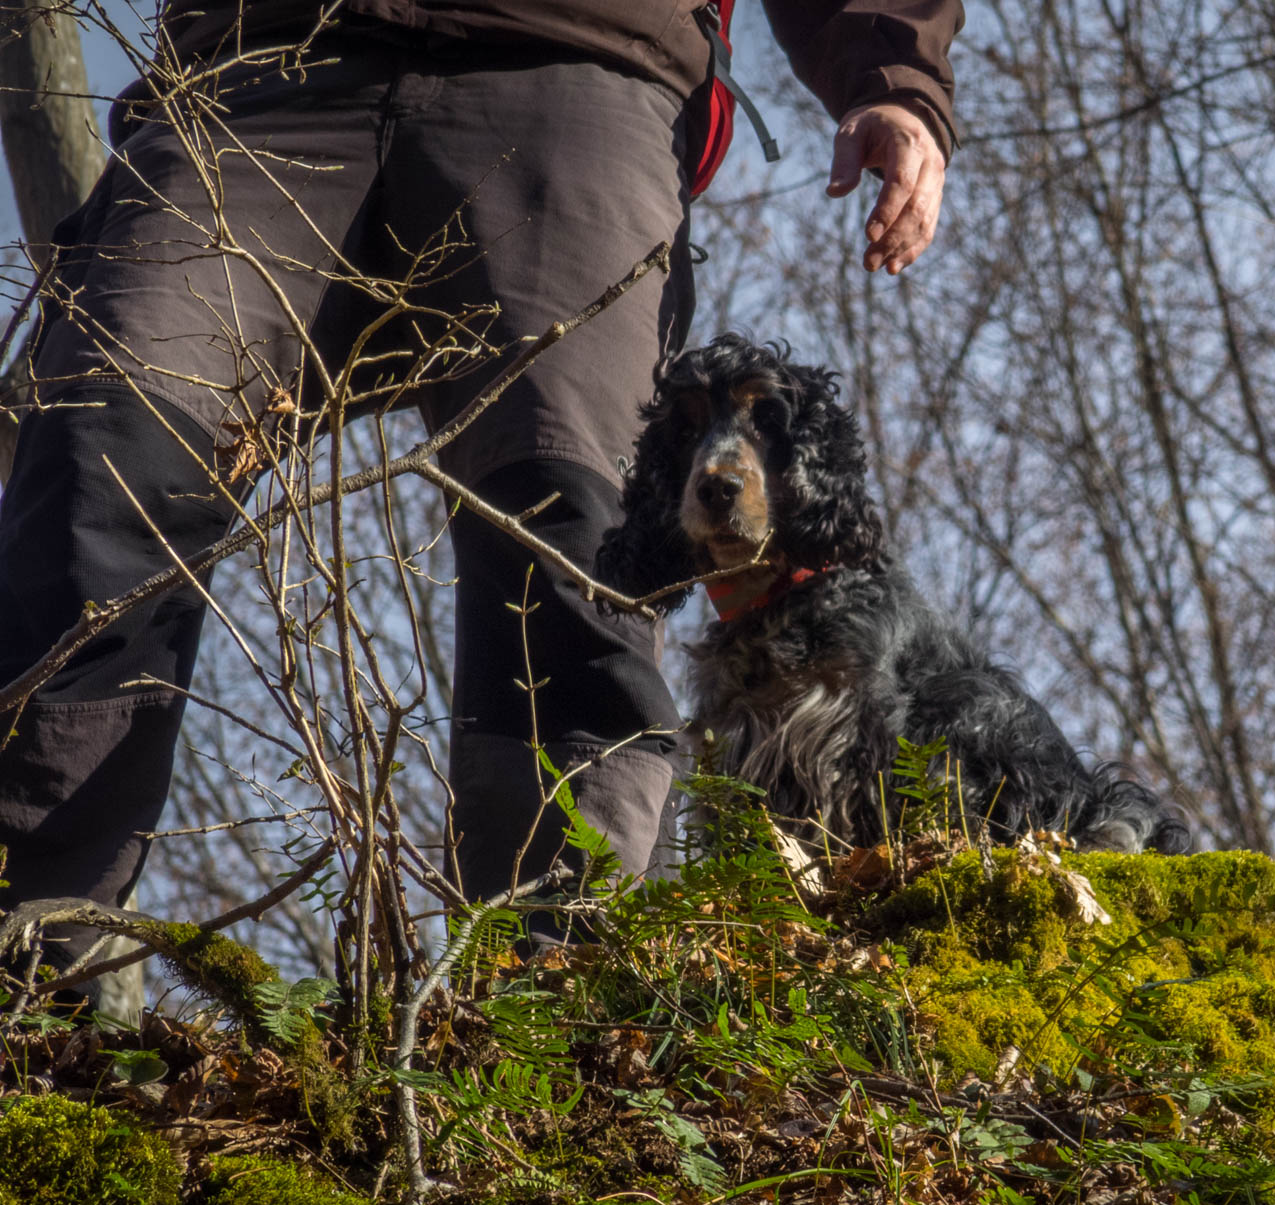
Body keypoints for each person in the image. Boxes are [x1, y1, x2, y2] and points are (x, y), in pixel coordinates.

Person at [0, 0, 959, 972]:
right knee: (98, 456)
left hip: (585, 62)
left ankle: (560, 1016)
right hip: (255, 67)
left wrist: (895, 78)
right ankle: (22, 996)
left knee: (578, 540)